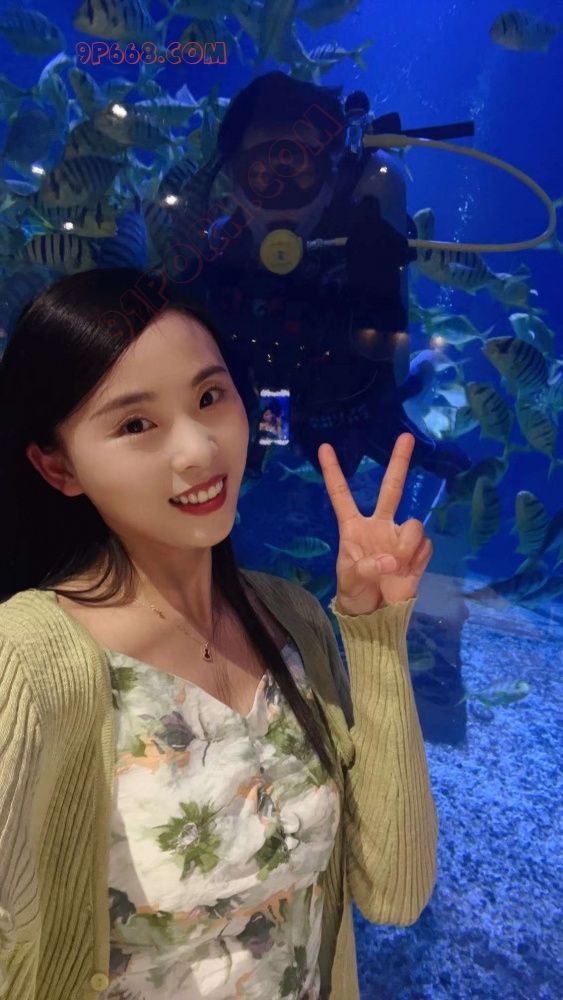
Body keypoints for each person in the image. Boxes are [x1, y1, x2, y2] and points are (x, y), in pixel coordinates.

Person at [0, 268, 438, 999]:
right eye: (136, 424)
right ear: (57, 466)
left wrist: (375, 631)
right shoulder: (24, 661)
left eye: (209, 397)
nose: (199, 450)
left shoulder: (292, 618)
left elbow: (395, 892)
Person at [168, 71, 471, 484]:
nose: (281, 200)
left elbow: (389, 352)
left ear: (332, 177)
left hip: (364, 401)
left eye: (301, 172)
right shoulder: (225, 250)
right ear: (234, 185)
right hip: (278, 403)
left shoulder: (366, 218)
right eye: (261, 177)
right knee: (265, 456)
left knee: (393, 438)